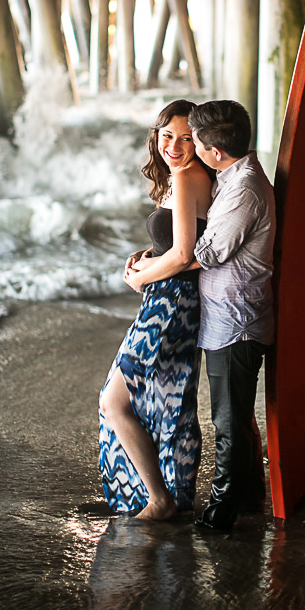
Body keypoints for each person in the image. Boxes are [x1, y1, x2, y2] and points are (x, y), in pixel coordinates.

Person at [98, 99, 212, 520]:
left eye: (186, 139)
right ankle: (162, 495)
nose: (175, 147)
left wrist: (141, 276)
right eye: (167, 136)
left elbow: (183, 255)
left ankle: (159, 499)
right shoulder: (183, 178)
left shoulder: (186, 178)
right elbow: (183, 242)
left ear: (200, 142)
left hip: (172, 304)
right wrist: (148, 255)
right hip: (171, 301)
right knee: (164, 399)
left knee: (116, 402)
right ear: (156, 135)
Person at [187, 100, 276, 532]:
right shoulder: (233, 175)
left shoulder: (243, 190)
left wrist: (152, 266)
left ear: (214, 152)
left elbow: (206, 253)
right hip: (232, 318)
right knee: (235, 417)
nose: (192, 148)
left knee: (228, 421)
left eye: (196, 142)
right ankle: (249, 500)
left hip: (235, 323)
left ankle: (219, 515)